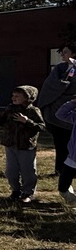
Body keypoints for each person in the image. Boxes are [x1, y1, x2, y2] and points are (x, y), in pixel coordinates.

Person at [0, 85, 47, 203]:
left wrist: (27, 121)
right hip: (10, 144)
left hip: (26, 145)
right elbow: (2, 121)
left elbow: (42, 127)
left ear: (27, 97)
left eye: (17, 96)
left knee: (28, 171)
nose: (13, 98)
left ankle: (28, 193)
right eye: (13, 96)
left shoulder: (33, 110)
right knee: (11, 171)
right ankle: (16, 190)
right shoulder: (10, 108)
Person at [38, 42, 76, 175]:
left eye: (65, 52)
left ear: (73, 54)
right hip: (57, 111)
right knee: (60, 143)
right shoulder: (60, 68)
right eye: (61, 52)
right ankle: (60, 170)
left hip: (72, 112)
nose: (62, 54)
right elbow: (51, 85)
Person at [53, 98, 76, 205]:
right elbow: (60, 114)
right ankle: (72, 200)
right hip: (72, 159)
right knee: (63, 188)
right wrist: (73, 102)